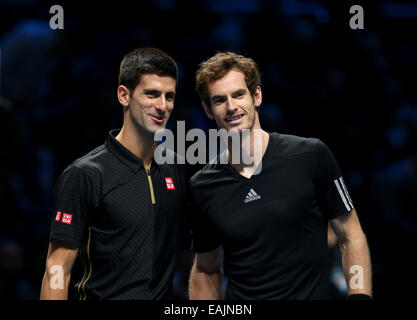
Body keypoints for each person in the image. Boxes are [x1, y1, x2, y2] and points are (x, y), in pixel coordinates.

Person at [188, 52, 372, 300]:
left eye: (239, 95)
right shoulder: (203, 185)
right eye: (219, 100)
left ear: (257, 96)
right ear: (208, 110)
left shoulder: (310, 155)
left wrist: (359, 297)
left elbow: (351, 235)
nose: (231, 107)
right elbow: (206, 269)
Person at [40, 48, 187, 300]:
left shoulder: (176, 168)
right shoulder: (85, 175)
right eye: (152, 94)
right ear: (123, 95)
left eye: (169, 96)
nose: (162, 106)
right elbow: (57, 269)